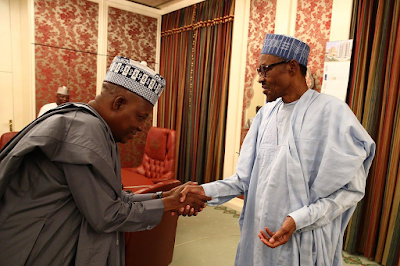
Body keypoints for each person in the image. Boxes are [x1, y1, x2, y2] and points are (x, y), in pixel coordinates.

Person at [180, 34, 376, 265]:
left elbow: (349, 191)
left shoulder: (332, 113)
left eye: (265, 69)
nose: (260, 79)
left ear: (292, 66)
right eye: (259, 71)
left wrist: (298, 219)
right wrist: (203, 191)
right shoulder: (265, 115)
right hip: (260, 235)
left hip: (305, 239)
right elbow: (244, 179)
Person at [0, 56, 210, 266]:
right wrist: (171, 203)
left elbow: (112, 200)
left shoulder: (94, 127)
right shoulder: (84, 131)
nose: (140, 127)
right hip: (35, 247)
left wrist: (163, 196)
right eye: (140, 117)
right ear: (118, 103)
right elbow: (107, 215)